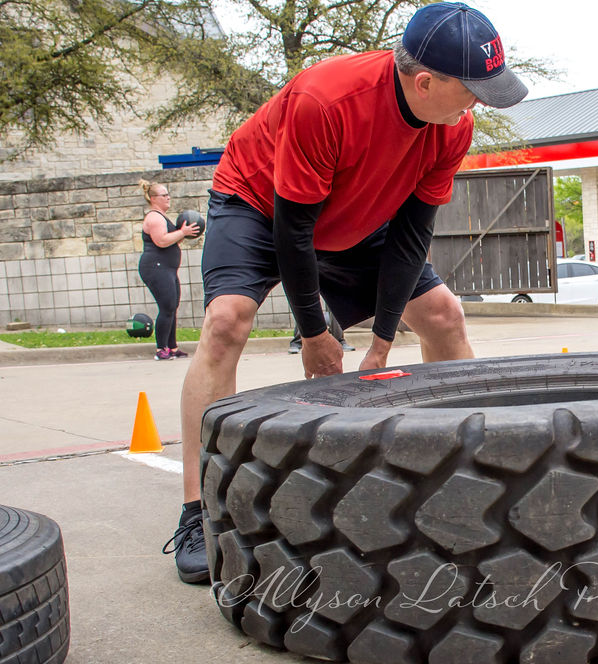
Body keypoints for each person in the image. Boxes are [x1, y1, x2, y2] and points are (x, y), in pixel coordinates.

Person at [165, 2, 527, 583]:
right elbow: (294, 231)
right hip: (261, 204)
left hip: (357, 214)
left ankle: (467, 481)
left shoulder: (452, 125)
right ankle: (195, 510)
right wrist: (314, 333)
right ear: (425, 80)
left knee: (442, 314)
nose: (480, 102)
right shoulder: (325, 100)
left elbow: (412, 236)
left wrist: (381, 342)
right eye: (474, 89)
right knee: (227, 321)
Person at [137, 180, 200, 361]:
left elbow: (170, 241)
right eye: (164, 195)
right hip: (156, 268)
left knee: (172, 306)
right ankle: (161, 349)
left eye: (168, 194)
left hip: (168, 268)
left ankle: (172, 348)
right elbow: (161, 241)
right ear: (153, 198)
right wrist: (183, 232)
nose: (168, 198)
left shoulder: (162, 217)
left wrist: (182, 233)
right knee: (166, 307)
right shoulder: (154, 218)